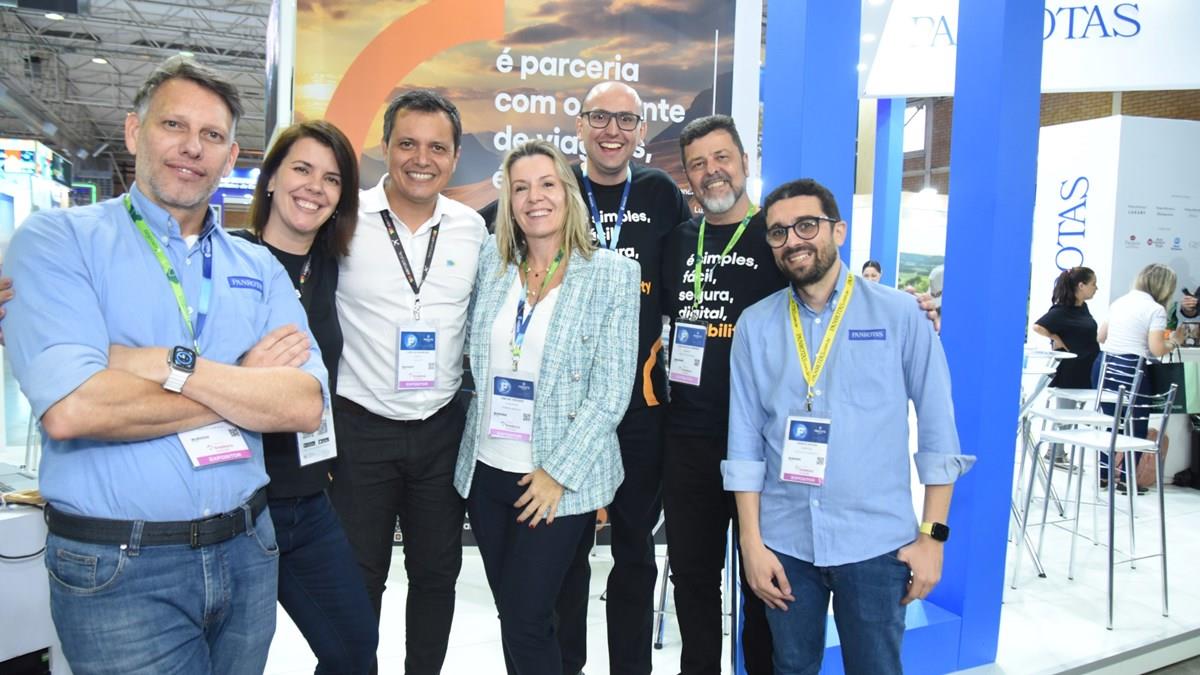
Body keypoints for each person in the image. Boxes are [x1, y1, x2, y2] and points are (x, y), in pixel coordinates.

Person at [2, 55, 327, 674]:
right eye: (174, 125)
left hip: (247, 550)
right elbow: (75, 410)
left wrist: (166, 365)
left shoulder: (257, 266)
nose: (192, 147)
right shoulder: (58, 242)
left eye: (212, 135)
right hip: (120, 563)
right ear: (134, 132)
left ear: (231, 159)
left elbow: (304, 404)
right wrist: (242, 381)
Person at [480, 81, 692, 675]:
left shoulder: (660, 193)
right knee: (566, 560)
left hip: (636, 406)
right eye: (600, 117)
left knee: (633, 551)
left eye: (625, 120)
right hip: (559, 410)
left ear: (641, 130)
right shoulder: (554, 187)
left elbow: (687, 283)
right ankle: (566, 662)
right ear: (580, 126)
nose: (612, 130)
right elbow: (490, 242)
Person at [724, 178, 975, 675]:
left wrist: (932, 537)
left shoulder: (900, 314)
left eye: (806, 225)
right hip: (786, 543)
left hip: (876, 543)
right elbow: (745, 442)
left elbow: (939, 430)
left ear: (838, 231)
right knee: (791, 667)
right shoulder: (755, 325)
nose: (793, 240)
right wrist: (751, 543)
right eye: (778, 232)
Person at [455, 139, 639, 674]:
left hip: (557, 478)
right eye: (520, 188)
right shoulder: (491, 265)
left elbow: (612, 392)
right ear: (509, 201)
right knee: (520, 614)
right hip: (488, 472)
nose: (534, 197)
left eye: (546, 184)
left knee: (526, 619)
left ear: (569, 193)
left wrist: (556, 474)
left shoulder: (611, 274)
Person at [330, 89, 486, 673]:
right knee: (358, 576)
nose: (422, 159)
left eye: (437, 148)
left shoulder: (472, 229)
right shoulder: (344, 219)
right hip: (360, 429)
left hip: (441, 429)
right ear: (386, 147)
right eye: (408, 144)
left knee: (437, 574)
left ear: (455, 157)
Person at [232, 120, 378, 673]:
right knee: (236, 660)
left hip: (309, 499)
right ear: (270, 178)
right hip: (239, 503)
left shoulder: (333, 269)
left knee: (354, 651)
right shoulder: (228, 259)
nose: (315, 187)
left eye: (332, 179)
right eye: (302, 169)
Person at [660, 114, 783, 674]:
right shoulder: (677, 242)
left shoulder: (776, 238)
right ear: (687, 176)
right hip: (687, 439)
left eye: (721, 158)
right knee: (692, 580)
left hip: (761, 443)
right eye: (698, 164)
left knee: (766, 585)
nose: (711, 172)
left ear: (745, 162)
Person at [1096, 263, 1179, 492]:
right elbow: (1156, 348)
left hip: (1105, 365)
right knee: (1137, 425)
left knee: (1110, 423)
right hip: (1131, 369)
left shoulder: (1120, 302)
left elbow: (1101, 336)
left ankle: (1104, 474)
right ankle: (1127, 479)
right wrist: (1174, 342)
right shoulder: (1155, 310)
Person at [1032, 266, 1101, 467]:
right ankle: (1056, 453)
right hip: (1070, 369)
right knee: (1065, 413)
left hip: (1085, 366)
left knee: (1071, 413)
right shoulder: (1061, 310)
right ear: (1081, 285)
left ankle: (1057, 452)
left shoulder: (1083, 308)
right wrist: (1055, 338)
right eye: (1093, 284)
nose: (1096, 288)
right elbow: (1038, 326)